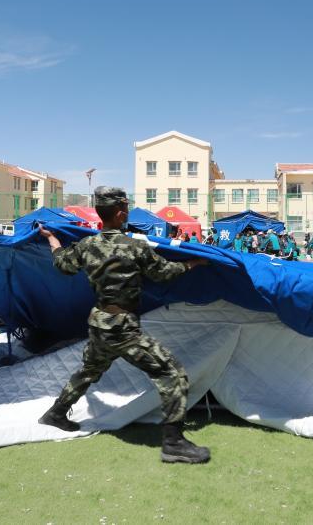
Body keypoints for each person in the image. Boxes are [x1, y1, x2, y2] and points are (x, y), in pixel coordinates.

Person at [36, 186, 210, 464]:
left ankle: (56, 413)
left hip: (99, 323)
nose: (128, 213)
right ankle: (174, 443)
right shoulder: (135, 247)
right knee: (172, 374)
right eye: (126, 210)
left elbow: (62, 264)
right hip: (123, 329)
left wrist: (52, 239)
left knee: (89, 371)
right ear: (119, 214)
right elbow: (164, 273)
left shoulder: (86, 245)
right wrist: (193, 263)